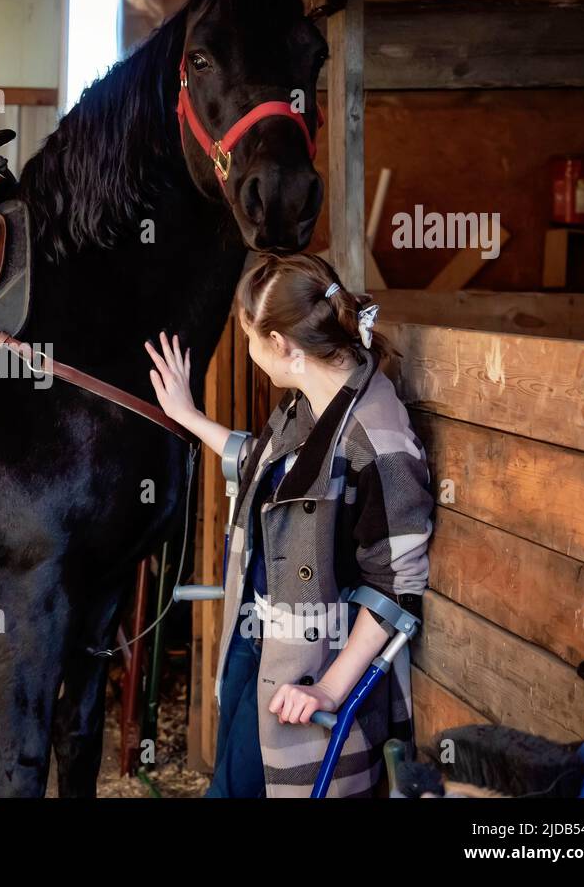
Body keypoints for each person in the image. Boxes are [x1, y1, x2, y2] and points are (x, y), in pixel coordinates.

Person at [146, 253, 432, 797]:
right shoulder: (310, 401)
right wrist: (187, 416)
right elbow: (265, 465)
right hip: (257, 640)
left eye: (251, 339)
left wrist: (327, 689)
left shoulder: (380, 441)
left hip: (307, 668)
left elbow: (396, 584)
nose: (251, 352)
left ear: (282, 347)